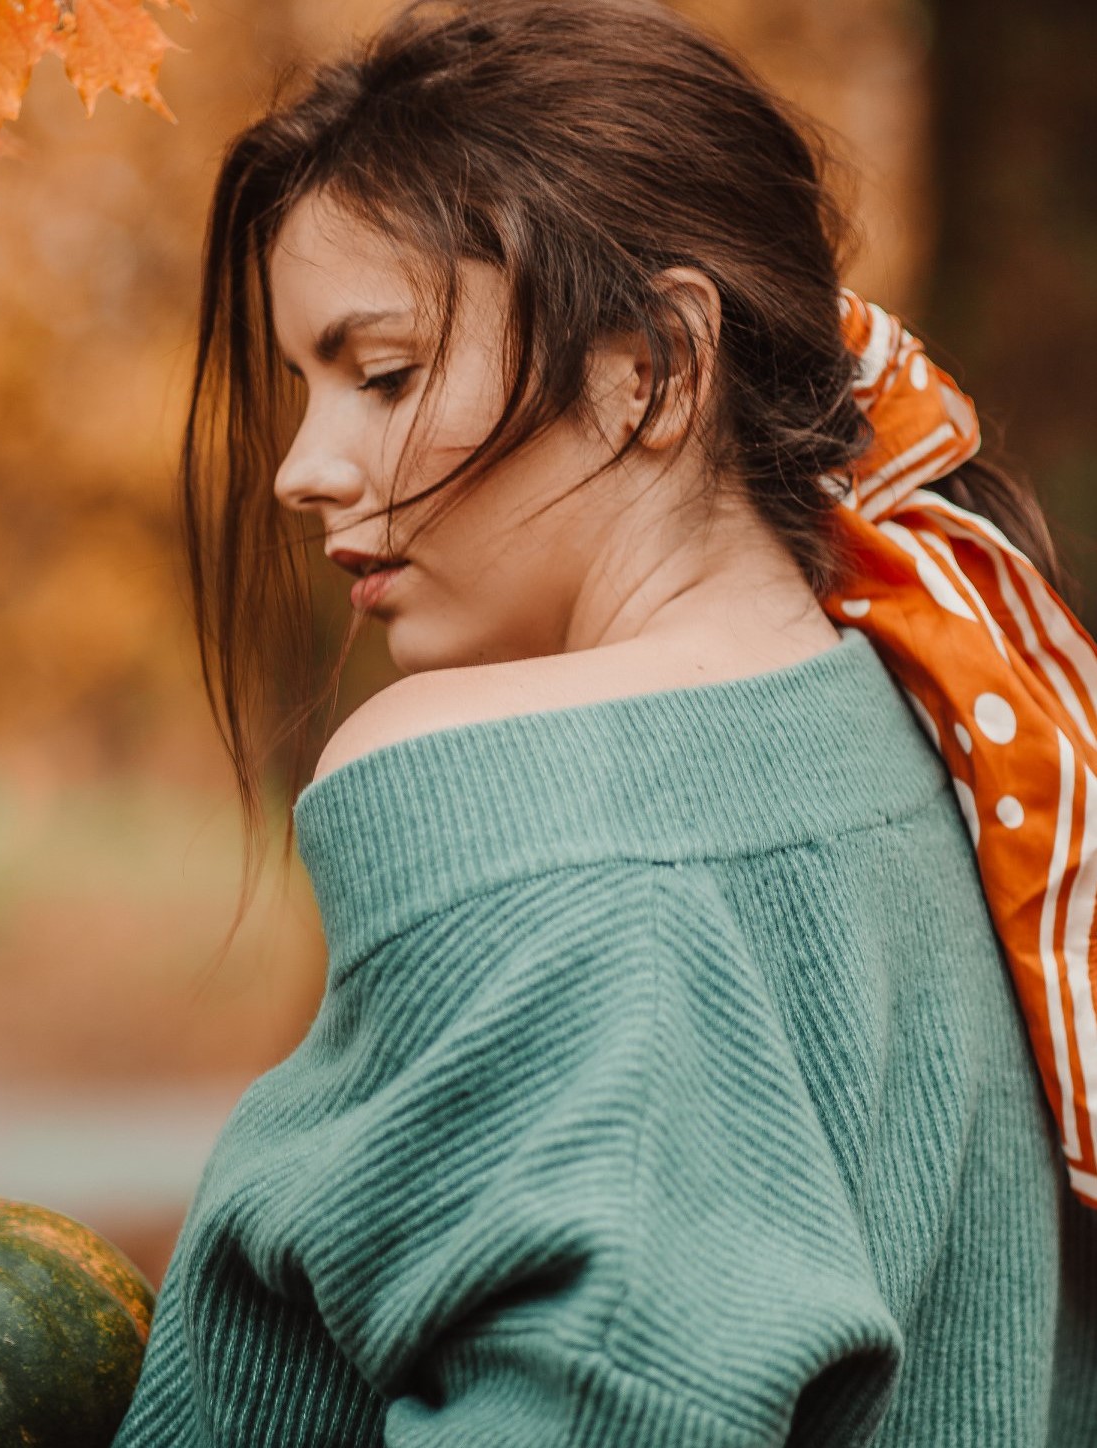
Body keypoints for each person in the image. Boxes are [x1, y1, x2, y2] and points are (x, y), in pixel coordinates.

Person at [112, 0, 1097, 1442]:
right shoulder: (938, 742)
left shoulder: (544, 835)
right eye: (300, 386)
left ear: (652, 372)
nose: (302, 470)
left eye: (380, 374)